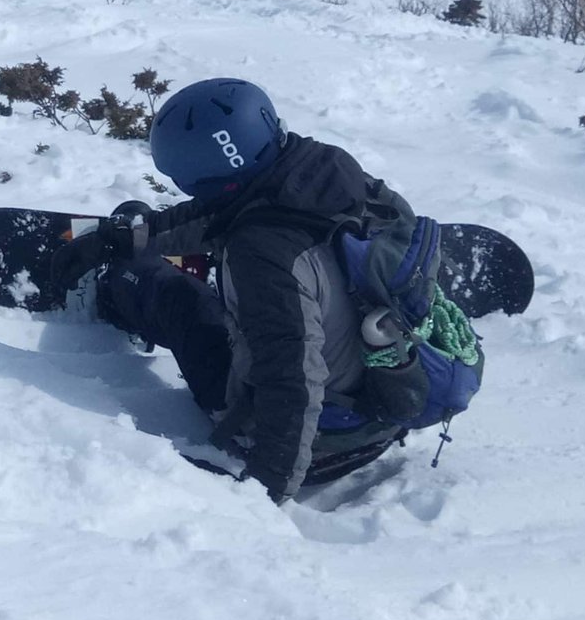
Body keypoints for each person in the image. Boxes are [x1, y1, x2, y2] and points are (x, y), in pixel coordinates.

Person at [56, 77, 435, 503]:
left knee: (177, 297)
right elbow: (225, 210)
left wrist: (264, 489)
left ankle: (110, 291)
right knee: (258, 303)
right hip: (384, 409)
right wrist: (136, 234)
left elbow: (291, 376)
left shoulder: (263, 255)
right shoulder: (333, 175)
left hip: (315, 444)